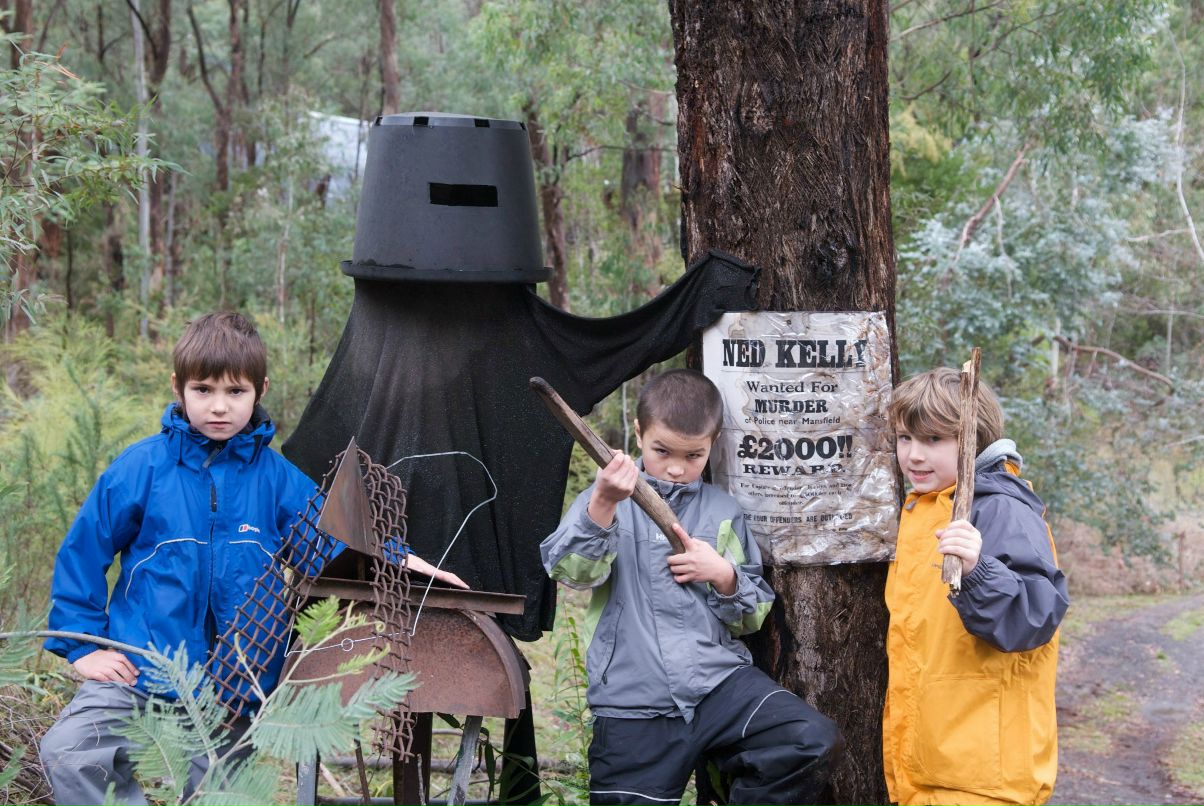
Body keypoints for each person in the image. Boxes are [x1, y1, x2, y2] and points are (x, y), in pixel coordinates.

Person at [39, 312, 464, 805]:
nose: (219, 407)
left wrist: (399, 561)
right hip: (140, 669)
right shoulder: (141, 469)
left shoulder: (277, 479)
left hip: (231, 686)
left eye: (235, 392)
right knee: (69, 752)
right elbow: (83, 551)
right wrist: (83, 647)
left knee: (217, 797)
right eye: (203, 390)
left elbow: (329, 546)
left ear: (259, 389)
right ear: (178, 387)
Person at [541, 369, 843, 806]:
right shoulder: (603, 499)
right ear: (640, 432)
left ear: (713, 443)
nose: (678, 468)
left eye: (694, 455)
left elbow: (751, 617)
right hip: (634, 700)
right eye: (662, 451)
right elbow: (571, 572)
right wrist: (604, 502)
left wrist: (723, 575)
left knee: (809, 741)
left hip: (718, 686)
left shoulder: (723, 510)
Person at [882, 367, 1070, 806]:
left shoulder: (1001, 507)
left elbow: (1035, 616)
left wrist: (978, 571)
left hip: (985, 770)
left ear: (974, 440)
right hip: (932, 761)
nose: (914, 455)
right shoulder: (925, 507)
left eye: (934, 440)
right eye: (905, 438)